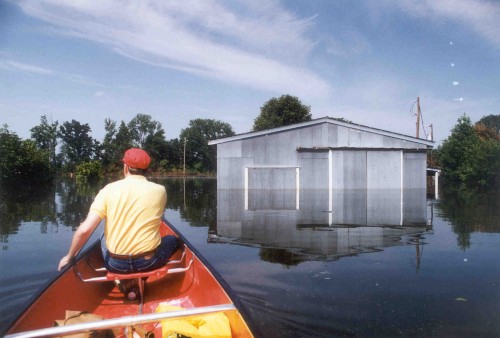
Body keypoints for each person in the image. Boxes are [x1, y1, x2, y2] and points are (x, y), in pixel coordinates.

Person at [58, 148, 178, 274]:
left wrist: (69, 256)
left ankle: (123, 281)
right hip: (149, 262)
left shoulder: (108, 190)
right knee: (172, 239)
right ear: (146, 170)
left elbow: (84, 230)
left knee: (104, 235)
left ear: (125, 168)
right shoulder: (160, 190)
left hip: (116, 265)